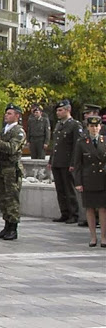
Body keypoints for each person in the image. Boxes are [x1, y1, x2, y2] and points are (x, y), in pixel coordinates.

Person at [0, 104, 27, 240]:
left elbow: (12, 148)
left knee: (12, 200)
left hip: (12, 169)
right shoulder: (5, 130)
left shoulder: (18, 131)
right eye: (6, 113)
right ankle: (6, 225)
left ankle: (13, 228)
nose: (6, 115)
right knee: (3, 199)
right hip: (2, 168)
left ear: (17, 115)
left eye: (10, 113)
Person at [73, 116, 106, 247]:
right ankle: (93, 237)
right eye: (92, 126)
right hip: (88, 179)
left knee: (103, 209)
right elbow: (78, 164)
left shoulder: (105, 141)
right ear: (88, 127)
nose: (94, 129)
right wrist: (78, 182)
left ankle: (103, 237)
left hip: (103, 179)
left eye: (97, 126)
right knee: (90, 209)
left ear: (101, 127)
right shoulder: (81, 142)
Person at [48, 99, 83, 224]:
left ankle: (74, 214)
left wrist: (73, 163)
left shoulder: (75, 125)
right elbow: (56, 145)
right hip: (57, 162)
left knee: (69, 189)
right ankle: (64, 213)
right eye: (57, 110)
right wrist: (51, 160)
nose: (58, 112)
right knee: (60, 189)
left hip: (67, 163)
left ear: (68, 110)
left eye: (60, 110)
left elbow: (77, 146)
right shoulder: (59, 125)